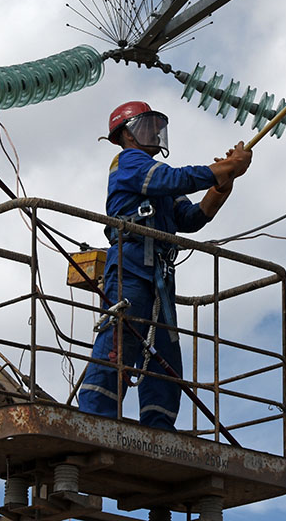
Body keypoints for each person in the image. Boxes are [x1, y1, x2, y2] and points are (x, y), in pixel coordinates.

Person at [78, 100, 252, 428]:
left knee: (165, 355)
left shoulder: (157, 183)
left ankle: (160, 426)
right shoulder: (129, 162)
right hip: (130, 268)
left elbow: (192, 218)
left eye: (158, 128)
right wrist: (223, 169)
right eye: (148, 127)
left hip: (159, 278)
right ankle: (94, 417)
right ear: (126, 134)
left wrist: (224, 182)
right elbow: (176, 179)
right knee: (121, 339)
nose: (156, 133)